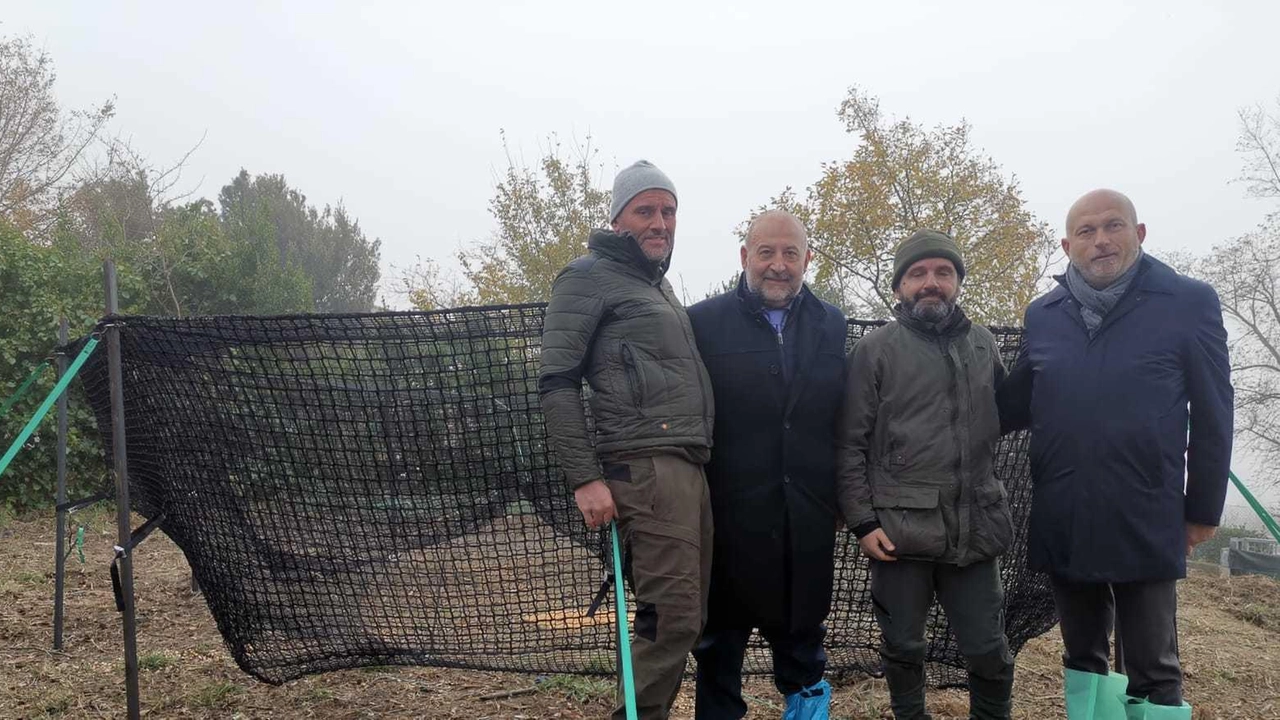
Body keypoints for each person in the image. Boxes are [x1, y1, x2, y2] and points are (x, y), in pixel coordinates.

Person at [998, 189, 1232, 720]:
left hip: (1146, 511)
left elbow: (1216, 410)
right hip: (1065, 507)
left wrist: (1201, 510)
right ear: (1066, 245)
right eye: (1086, 231)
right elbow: (1011, 403)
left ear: (1139, 233)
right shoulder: (1044, 314)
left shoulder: (1188, 302)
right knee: (1082, 652)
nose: (1100, 240)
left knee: (1153, 664)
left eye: (1113, 226)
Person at [539, 160, 716, 720]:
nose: (660, 221)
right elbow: (557, 381)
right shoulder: (585, 276)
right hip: (643, 466)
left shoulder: (657, 286)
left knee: (678, 616)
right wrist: (585, 478)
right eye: (645, 210)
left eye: (668, 211)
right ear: (617, 219)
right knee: (674, 617)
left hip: (688, 464)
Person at [837, 229, 1015, 720]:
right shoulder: (876, 350)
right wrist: (862, 522)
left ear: (957, 281)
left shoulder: (983, 345)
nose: (930, 283)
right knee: (903, 649)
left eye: (943, 272)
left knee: (989, 652)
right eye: (918, 274)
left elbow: (1010, 417)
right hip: (898, 535)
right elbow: (850, 443)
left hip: (976, 529)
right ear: (899, 287)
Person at [687, 210, 847, 719]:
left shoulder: (831, 322)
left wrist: (838, 499)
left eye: (790, 253)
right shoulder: (701, 322)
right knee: (718, 657)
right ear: (744, 257)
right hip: (728, 527)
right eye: (766, 252)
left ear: (807, 259)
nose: (778, 265)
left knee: (803, 656)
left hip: (805, 525)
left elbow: (838, 416)